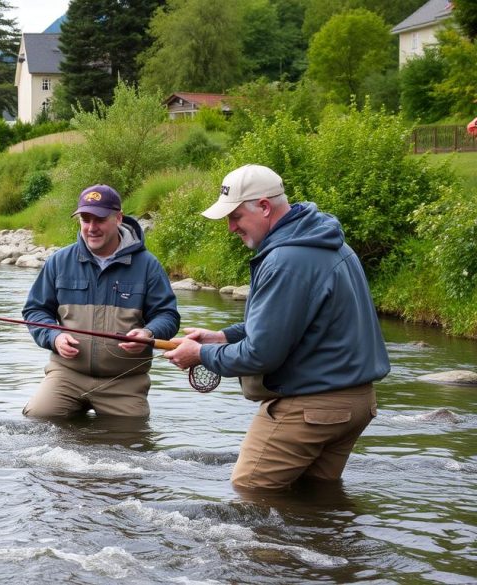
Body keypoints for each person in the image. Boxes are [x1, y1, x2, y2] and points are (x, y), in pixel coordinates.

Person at [163, 164, 390, 490]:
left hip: (312, 407)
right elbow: (292, 322)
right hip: (356, 403)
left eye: (236, 216)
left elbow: (260, 355)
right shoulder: (325, 241)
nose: (230, 227)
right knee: (314, 502)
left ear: (265, 207)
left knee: (250, 491)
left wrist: (201, 354)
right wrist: (223, 336)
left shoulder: (287, 259)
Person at [22, 185, 180, 419]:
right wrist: (54, 337)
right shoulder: (59, 261)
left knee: (132, 444)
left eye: (100, 220)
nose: (92, 228)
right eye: (85, 220)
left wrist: (148, 333)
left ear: (118, 218)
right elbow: (35, 311)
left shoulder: (148, 266)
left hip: (125, 381)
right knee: (38, 420)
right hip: (67, 375)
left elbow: (168, 316)